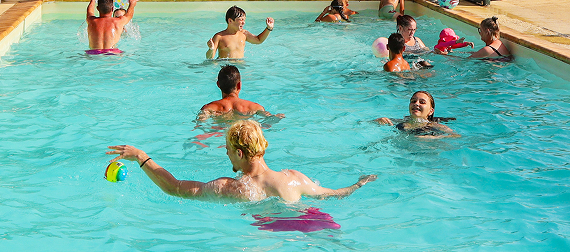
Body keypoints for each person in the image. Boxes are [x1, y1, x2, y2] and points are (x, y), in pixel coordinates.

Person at [106, 120, 376, 202]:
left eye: (227, 149)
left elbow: (174, 188)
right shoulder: (294, 178)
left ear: (240, 153)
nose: (225, 153)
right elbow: (332, 194)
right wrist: (358, 184)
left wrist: (141, 156)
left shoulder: (233, 187)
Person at [199, 65, 280, 118]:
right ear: (239, 85)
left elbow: (200, 124)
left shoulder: (209, 108)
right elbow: (268, 119)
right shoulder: (255, 107)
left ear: (218, 85)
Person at [374, 90, 459, 138]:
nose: (416, 104)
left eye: (422, 102)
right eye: (413, 101)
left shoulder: (436, 126)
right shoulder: (399, 123)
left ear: (431, 111)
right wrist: (378, 120)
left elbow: (456, 136)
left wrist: (432, 138)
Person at [208, 6, 274, 59]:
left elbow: (258, 40)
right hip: (226, 67)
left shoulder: (244, 33)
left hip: (240, 66)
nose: (243, 22)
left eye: (244, 20)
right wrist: (211, 49)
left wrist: (269, 28)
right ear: (230, 21)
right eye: (241, 20)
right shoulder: (219, 37)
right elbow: (209, 58)